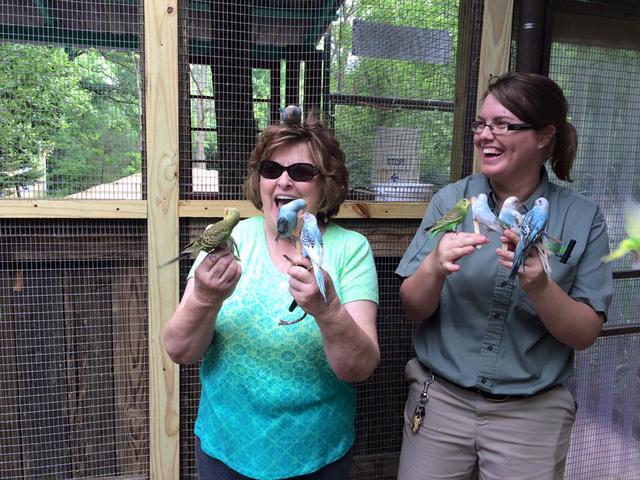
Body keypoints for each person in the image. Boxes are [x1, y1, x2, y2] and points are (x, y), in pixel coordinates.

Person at [395, 72, 613, 479]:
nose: (484, 135)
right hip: (441, 403)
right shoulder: (452, 200)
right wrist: (434, 266)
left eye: (502, 124)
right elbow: (413, 306)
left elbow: (584, 334)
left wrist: (540, 286)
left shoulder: (583, 218)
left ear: (544, 137)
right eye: (481, 123)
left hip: (532, 415)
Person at [162, 111, 380, 480]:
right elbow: (180, 351)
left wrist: (328, 312)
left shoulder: (349, 249)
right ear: (258, 179)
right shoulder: (229, 241)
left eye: (301, 172)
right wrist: (204, 298)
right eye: (271, 169)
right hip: (226, 452)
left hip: (317, 455)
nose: (283, 181)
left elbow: (358, 369)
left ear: (325, 185)